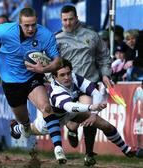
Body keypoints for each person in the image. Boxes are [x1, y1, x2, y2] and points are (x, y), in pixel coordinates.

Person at [0, 7, 65, 163]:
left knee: (46, 108)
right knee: (24, 121)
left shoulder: (46, 35)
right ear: (19, 23)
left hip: (32, 76)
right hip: (11, 82)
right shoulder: (5, 31)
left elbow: (58, 61)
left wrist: (43, 69)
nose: (31, 29)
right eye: (26, 25)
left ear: (37, 21)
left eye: (33, 25)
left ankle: (58, 149)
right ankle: (21, 126)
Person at [12, 59, 143, 164]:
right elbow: (69, 106)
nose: (67, 77)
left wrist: (93, 115)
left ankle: (127, 150)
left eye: (68, 73)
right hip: (53, 119)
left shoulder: (74, 77)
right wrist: (91, 108)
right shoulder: (56, 91)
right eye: (62, 75)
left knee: (106, 125)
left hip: (72, 113)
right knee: (30, 130)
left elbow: (96, 93)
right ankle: (16, 128)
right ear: (54, 77)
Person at [55, 5, 112, 166]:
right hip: (68, 85)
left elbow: (104, 57)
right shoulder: (56, 39)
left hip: (89, 81)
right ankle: (72, 127)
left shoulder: (92, 35)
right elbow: (51, 64)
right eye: (64, 20)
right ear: (61, 20)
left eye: (70, 19)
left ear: (77, 18)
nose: (68, 22)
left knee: (90, 114)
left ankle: (88, 153)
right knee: (70, 116)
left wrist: (105, 74)